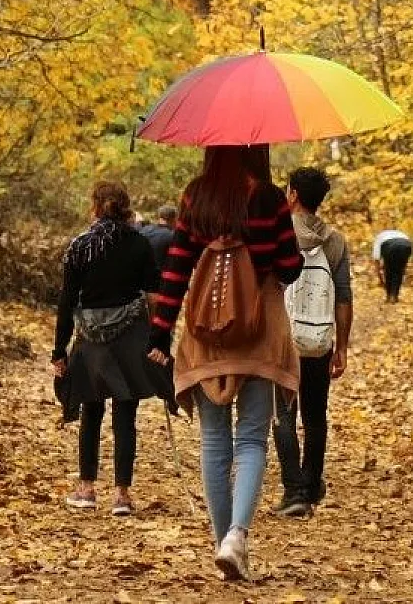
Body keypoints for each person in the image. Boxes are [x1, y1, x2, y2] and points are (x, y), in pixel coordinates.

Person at [146, 145, 302, 582]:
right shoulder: (269, 198)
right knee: (251, 438)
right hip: (259, 332)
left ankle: (223, 546)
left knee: (215, 441)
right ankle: (237, 536)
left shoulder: (197, 195)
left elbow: (176, 268)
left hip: (205, 332)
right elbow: (288, 268)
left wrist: (160, 330)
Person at [51, 181, 174, 516]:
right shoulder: (139, 243)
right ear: (126, 207)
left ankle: (86, 490)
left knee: (91, 411)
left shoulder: (80, 246)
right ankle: (122, 495)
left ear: (95, 206)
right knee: (126, 413)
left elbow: (66, 301)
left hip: (90, 341)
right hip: (130, 337)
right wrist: (159, 339)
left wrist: (59, 350)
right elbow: (153, 296)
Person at [273, 167, 352, 518]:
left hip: (281, 338)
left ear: (292, 195)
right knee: (316, 414)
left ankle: (294, 492)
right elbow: (344, 297)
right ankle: (310, 483)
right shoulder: (334, 240)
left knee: (283, 413)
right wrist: (342, 346)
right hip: (319, 338)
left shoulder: (277, 235)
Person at [372, 228, 413, 303]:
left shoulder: (379, 238)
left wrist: (380, 278)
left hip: (390, 246)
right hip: (406, 245)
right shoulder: (400, 233)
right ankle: (394, 295)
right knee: (399, 271)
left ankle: (389, 296)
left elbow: (376, 259)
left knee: (389, 270)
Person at [139, 204, 178, 270]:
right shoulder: (172, 236)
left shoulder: (144, 230)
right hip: (158, 276)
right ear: (173, 219)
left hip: (139, 274)